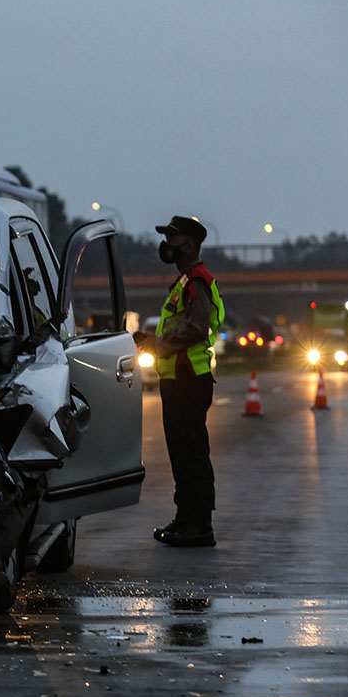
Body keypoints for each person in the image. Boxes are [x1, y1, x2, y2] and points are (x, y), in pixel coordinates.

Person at [133, 216, 225, 547]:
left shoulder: (196, 282)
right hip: (179, 381)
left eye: (172, 238)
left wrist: (158, 345)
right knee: (182, 454)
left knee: (191, 455)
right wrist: (149, 338)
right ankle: (185, 518)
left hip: (188, 381)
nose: (166, 245)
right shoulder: (185, 282)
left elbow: (196, 329)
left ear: (187, 243)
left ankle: (199, 525)